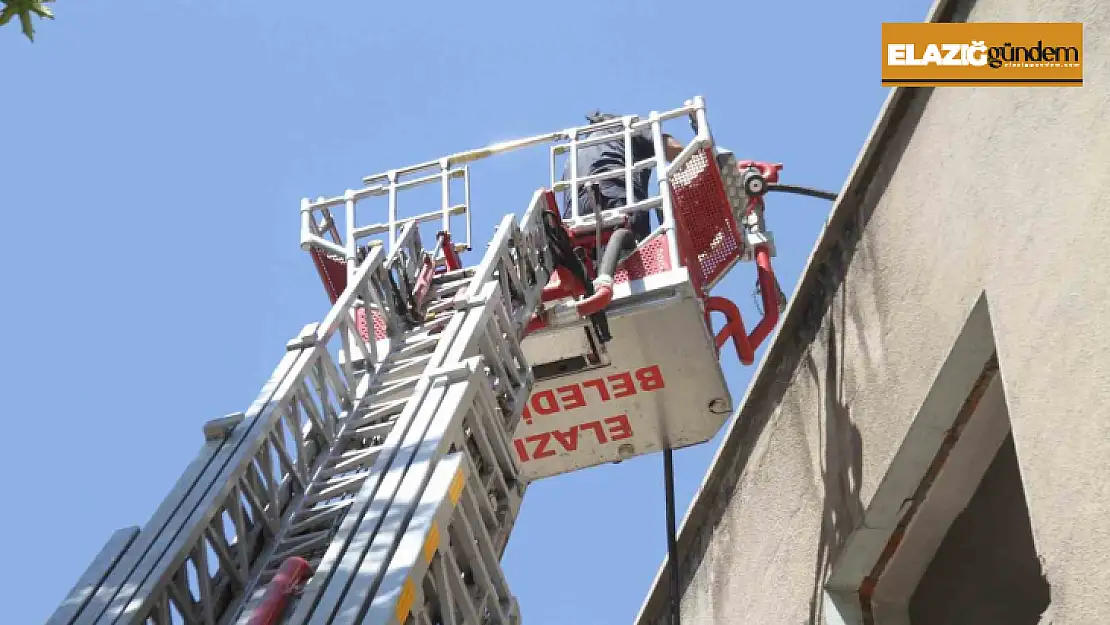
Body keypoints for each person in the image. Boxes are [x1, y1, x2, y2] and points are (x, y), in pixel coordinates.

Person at [561, 111, 685, 242]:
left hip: (576, 213)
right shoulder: (625, 126)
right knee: (638, 253)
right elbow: (669, 146)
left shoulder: (575, 153)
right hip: (617, 194)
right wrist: (696, 157)